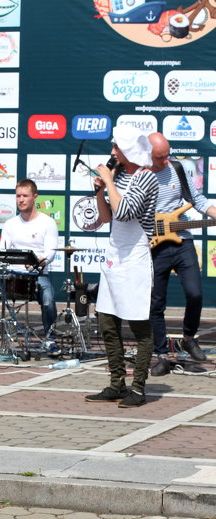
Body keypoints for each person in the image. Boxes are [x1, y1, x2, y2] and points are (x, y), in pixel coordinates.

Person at [85, 124, 159, 408]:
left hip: (136, 258)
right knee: (107, 322)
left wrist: (110, 182)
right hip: (115, 257)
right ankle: (117, 383)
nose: (112, 152)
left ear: (128, 150)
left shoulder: (145, 177)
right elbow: (107, 217)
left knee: (140, 326)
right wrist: (100, 191)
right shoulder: (122, 175)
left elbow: (126, 212)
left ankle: (138, 388)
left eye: (117, 147)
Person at [148, 132, 216, 376]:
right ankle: (161, 355)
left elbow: (195, 198)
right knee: (156, 303)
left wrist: (213, 212)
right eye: (160, 157)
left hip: (182, 239)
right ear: (148, 155)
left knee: (195, 292)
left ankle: (188, 337)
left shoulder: (176, 167)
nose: (166, 160)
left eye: (167, 154)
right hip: (154, 245)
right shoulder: (139, 174)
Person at [0, 178, 58, 350]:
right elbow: (2, 250)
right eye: (18, 196)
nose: (20, 200)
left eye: (25, 196)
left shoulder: (48, 223)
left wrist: (36, 263)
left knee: (49, 299)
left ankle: (50, 339)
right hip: (12, 275)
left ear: (34, 197)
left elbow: (50, 253)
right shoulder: (10, 224)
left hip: (37, 275)